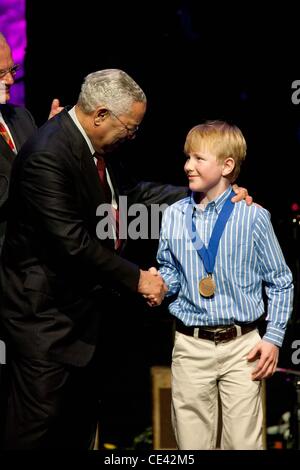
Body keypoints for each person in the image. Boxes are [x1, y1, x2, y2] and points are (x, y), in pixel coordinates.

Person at [154, 120, 294, 449]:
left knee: (244, 445)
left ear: (227, 165)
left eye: (199, 159)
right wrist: (160, 283)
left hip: (242, 347)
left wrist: (273, 338)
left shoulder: (253, 216)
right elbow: (170, 268)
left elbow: (281, 281)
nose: (188, 166)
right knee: (191, 445)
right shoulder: (174, 214)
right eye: (187, 157)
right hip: (190, 346)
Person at [0, 32, 62, 249]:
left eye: (12, 70)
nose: (10, 80)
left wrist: (51, 138)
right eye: (0, 74)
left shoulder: (21, 117)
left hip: (34, 258)